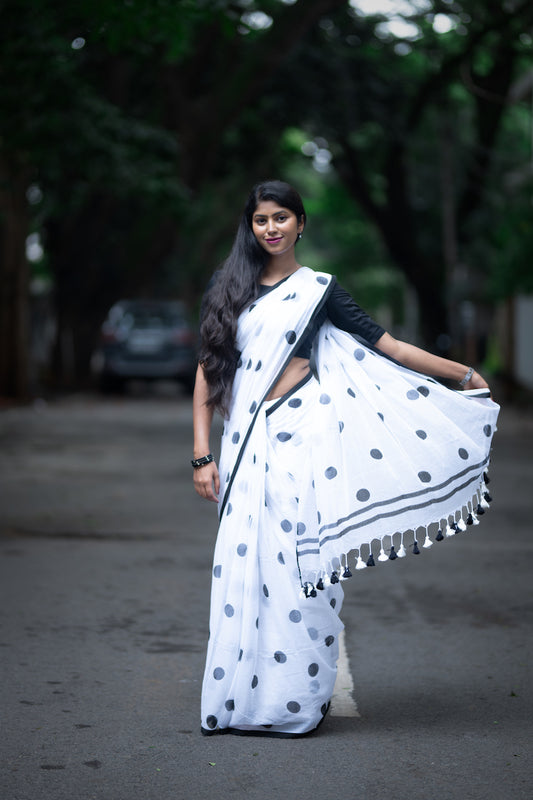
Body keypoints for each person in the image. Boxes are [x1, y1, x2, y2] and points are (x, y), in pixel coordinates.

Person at [192, 179, 499, 738]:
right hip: (245, 444)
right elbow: (210, 370)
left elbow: (391, 346)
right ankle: (241, 696)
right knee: (250, 568)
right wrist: (200, 455)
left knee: (303, 566)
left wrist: (464, 375)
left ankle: (297, 698)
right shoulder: (231, 287)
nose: (271, 228)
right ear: (251, 226)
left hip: (302, 439)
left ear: (300, 224)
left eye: (281, 217)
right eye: (261, 220)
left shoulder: (319, 290)